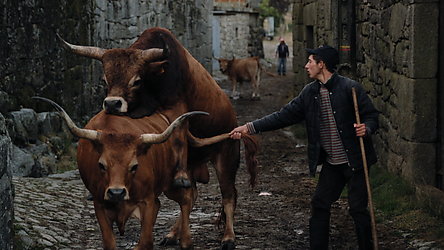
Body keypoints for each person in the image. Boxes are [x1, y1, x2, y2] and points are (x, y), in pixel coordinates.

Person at [230, 45, 379, 250]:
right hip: (332, 163)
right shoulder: (309, 93)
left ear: (322, 64)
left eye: (310, 61)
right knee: (320, 204)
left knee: (358, 209)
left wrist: (367, 128)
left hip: (355, 160)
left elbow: (372, 116)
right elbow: (283, 116)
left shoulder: (350, 88)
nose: (306, 65)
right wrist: (249, 127)